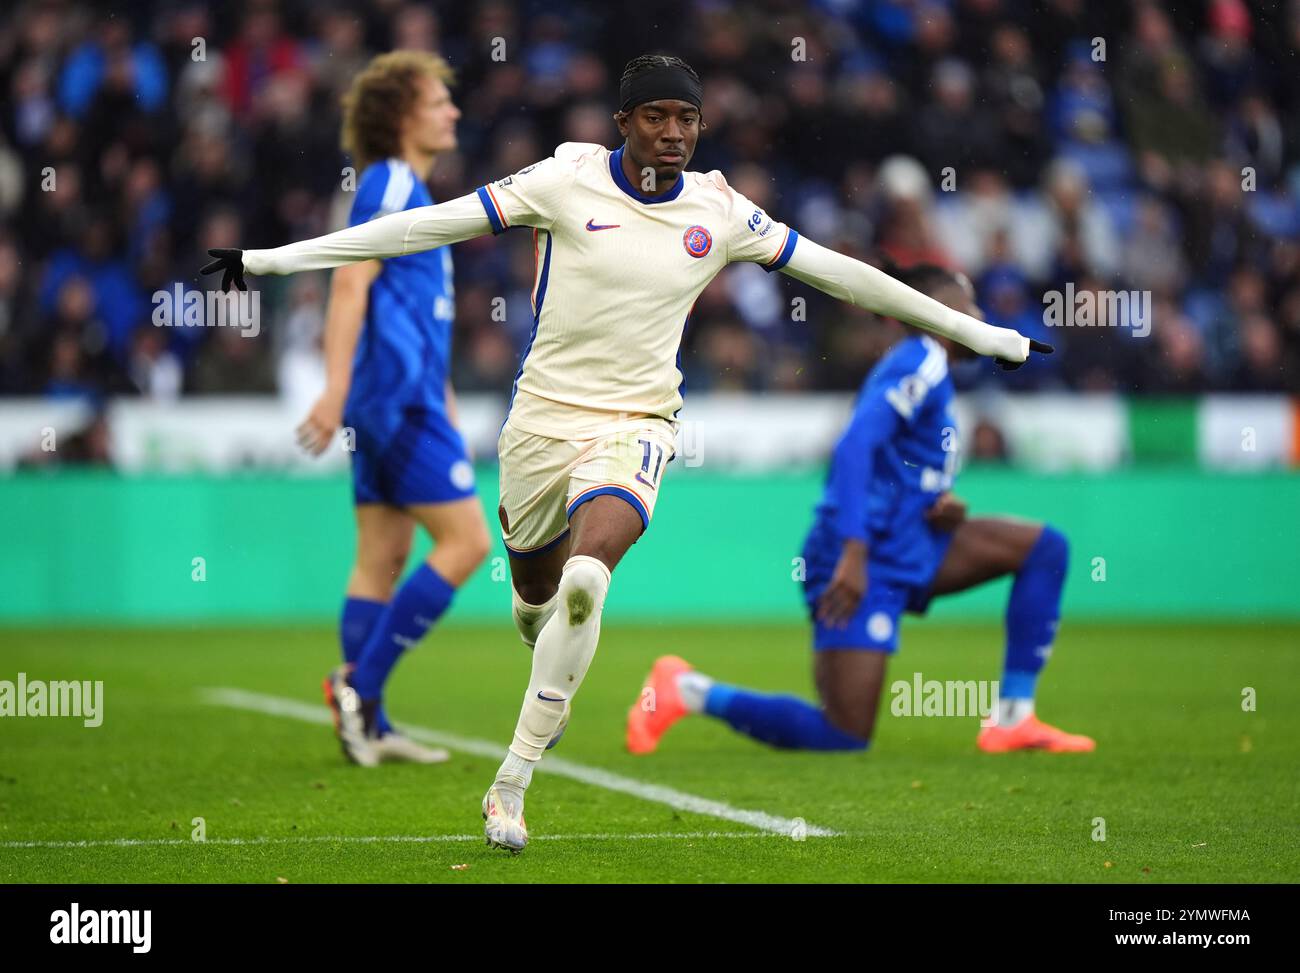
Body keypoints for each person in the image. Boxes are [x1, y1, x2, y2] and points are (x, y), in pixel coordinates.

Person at [202, 54, 1052, 852]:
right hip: (539, 427)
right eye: (657, 116)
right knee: (537, 594)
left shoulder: (720, 210)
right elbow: (422, 227)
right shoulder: (562, 179)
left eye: (688, 117)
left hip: (637, 425)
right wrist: (269, 260)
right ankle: (533, 644)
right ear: (623, 122)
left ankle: (513, 778)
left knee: (587, 577)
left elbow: (848, 276)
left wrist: (981, 334)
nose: (675, 132)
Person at [627, 265, 1093, 757]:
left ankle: (1014, 719)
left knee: (1044, 548)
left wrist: (936, 500)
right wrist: (852, 552)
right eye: (967, 306)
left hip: (912, 539)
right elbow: (853, 448)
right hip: (860, 555)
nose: (979, 316)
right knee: (843, 734)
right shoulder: (921, 362)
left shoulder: (932, 372)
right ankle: (687, 690)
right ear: (940, 315)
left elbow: (895, 460)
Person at [296, 51, 491, 767]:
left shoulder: (416, 195)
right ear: (402, 114)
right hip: (392, 401)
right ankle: (357, 686)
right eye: (440, 100)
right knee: (468, 543)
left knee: (381, 556)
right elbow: (350, 284)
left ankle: (369, 726)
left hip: (404, 400)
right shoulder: (388, 184)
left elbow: (414, 317)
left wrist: (446, 405)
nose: (454, 111)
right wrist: (334, 388)